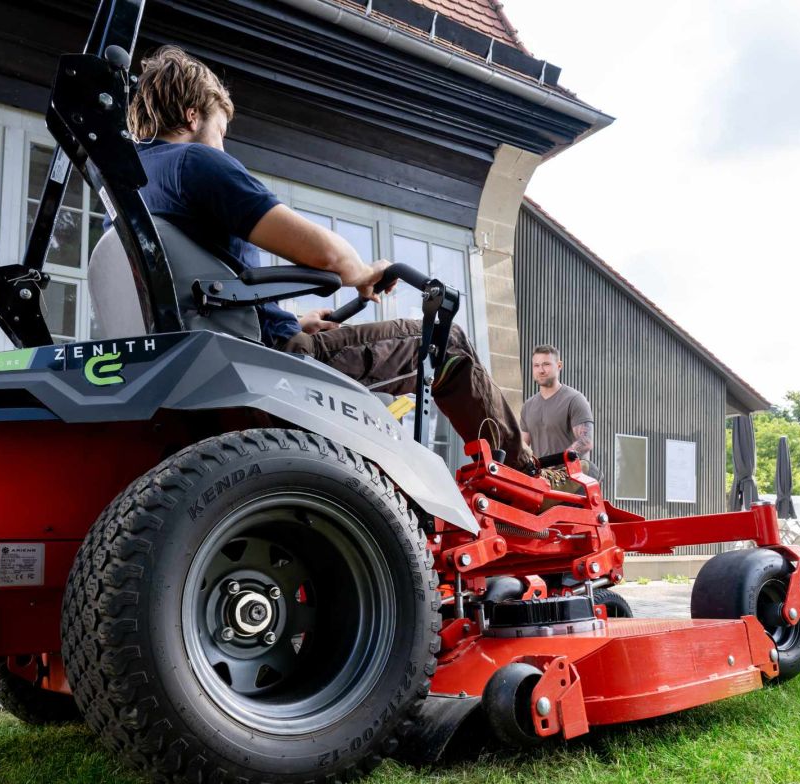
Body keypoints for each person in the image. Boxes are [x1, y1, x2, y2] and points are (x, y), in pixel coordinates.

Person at [124, 46, 532, 471]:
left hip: (216, 358)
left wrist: (292, 321)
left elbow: (187, 296)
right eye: (221, 131)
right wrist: (360, 272)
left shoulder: (134, 182)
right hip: (275, 361)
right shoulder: (195, 161)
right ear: (192, 116)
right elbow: (325, 254)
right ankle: (523, 481)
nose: (222, 146)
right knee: (449, 344)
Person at [520, 344, 596, 478]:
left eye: (546, 364)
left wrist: (557, 461)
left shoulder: (575, 399)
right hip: (542, 480)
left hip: (572, 481)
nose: (541, 370)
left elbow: (586, 441)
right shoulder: (528, 406)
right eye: (536, 366)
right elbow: (522, 445)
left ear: (559, 366)